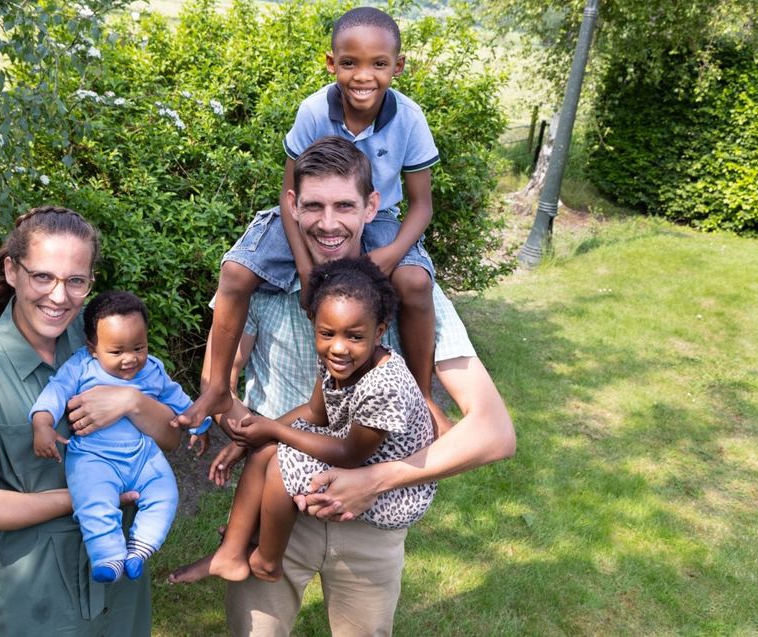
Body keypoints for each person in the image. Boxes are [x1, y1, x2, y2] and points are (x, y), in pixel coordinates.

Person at [192, 137, 516, 636]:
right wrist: (248, 435)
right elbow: (221, 377)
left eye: (344, 205)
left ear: (371, 206)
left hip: (373, 522)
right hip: (278, 510)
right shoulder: (262, 280)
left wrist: (375, 480)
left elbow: (495, 434)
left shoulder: (405, 294)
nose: (328, 223)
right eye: (314, 206)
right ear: (293, 206)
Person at [177, 6, 444, 431]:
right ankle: (215, 386)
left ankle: (424, 394)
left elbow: (422, 205)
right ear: (331, 62)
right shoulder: (313, 111)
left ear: (398, 66)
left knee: (414, 283)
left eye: (379, 64)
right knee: (234, 273)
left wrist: (391, 256)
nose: (363, 76)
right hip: (306, 213)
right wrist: (306, 268)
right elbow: (289, 198)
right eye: (350, 63)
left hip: (376, 217)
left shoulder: (410, 120)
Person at [0, 206, 180, 636]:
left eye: (76, 281)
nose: (59, 297)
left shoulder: (101, 340)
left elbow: (171, 439)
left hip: (121, 582)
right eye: (42, 276)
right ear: (12, 270)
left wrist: (131, 403)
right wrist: (87, 497)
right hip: (41, 598)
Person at [168, 255, 437, 586]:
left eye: (354, 336)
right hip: (358, 455)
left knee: (283, 458)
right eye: (327, 333)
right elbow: (314, 412)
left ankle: (267, 560)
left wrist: (274, 430)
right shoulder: (339, 360)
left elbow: (350, 454)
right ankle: (233, 551)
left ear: (379, 332)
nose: (339, 347)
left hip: (392, 488)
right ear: (316, 326)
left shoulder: (385, 385)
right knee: (268, 447)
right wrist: (257, 433)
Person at [30, 290, 211, 583]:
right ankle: (108, 557)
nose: (130, 359)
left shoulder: (152, 369)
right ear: (92, 347)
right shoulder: (81, 366)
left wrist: (197, 424)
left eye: (139, 347)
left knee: (166, 494)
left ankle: (140, 548)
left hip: (143, 454)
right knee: (94, 500)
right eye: (116, 352)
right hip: (94, 457)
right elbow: (55, 391)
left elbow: (175, 397)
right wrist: (42, 424)